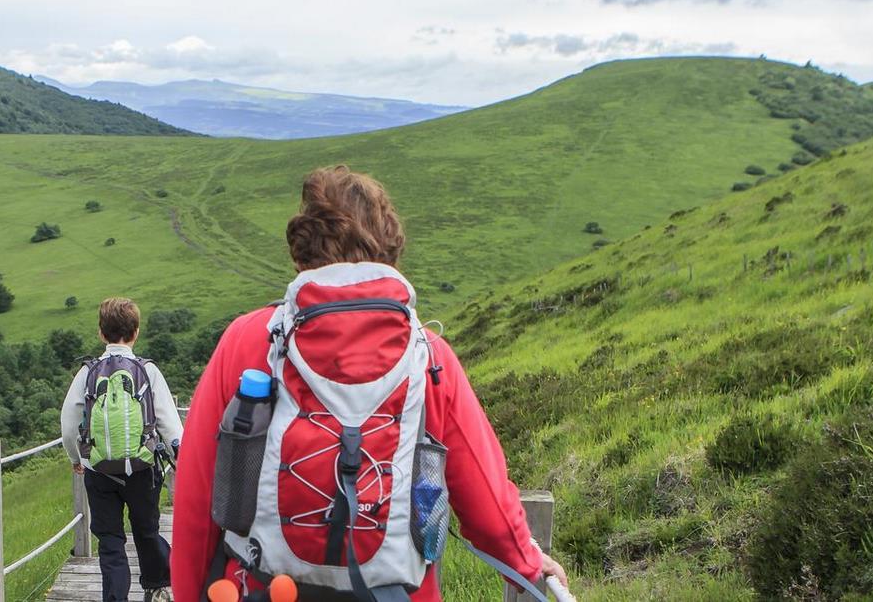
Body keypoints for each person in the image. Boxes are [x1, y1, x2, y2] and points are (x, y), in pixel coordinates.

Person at [170, 166, 571, 602]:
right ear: (390, 248)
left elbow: (197, 500)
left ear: (302, 250)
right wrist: (527, 563)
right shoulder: (430, 357)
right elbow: (487, 503)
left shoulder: (248, 340)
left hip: (260, 589)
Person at [63, 297, 186, 602]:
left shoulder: (87, 372)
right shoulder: (148, 371)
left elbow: (68, 422)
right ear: (136, 333)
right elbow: (169, 424)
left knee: (110, 540)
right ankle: (156, 588)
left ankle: (115, 598)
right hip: (143, 469)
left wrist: (76, 458)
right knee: (146, 531)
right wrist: (181, 460)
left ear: (101, 334)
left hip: (99, 470)